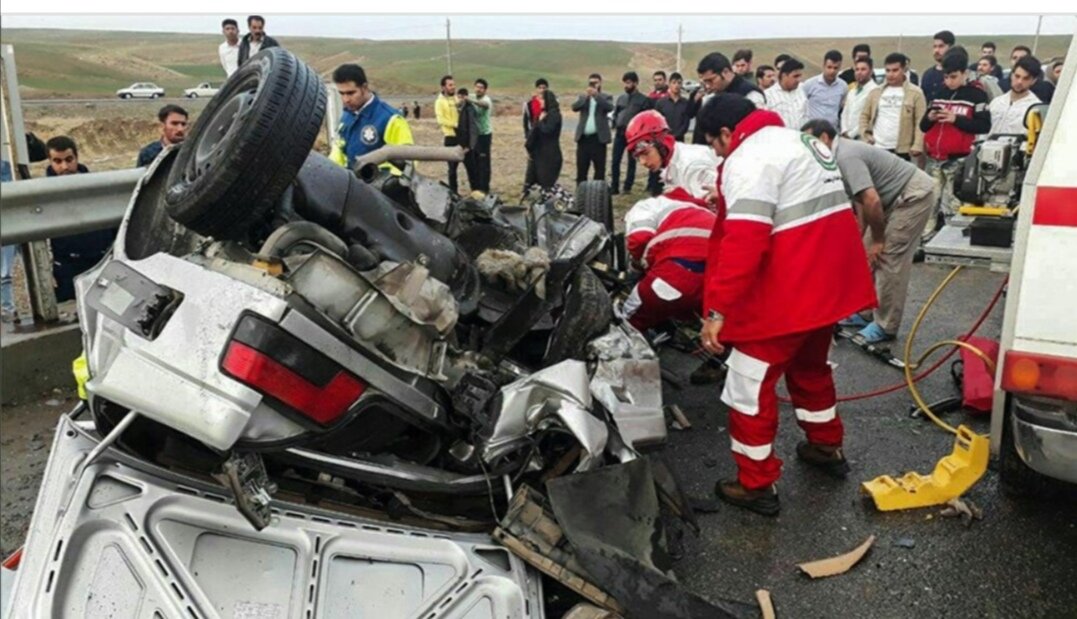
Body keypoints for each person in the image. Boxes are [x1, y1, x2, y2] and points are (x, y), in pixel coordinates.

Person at [696, 95, 876, 516]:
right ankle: (825, 446)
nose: (719, 156)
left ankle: (755, 484)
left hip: (788, 294)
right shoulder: (799, 141)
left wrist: (718, 311)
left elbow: (745, 241)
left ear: (726, 133)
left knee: (748, 385)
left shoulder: (750, 157)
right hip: (827, 288)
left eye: (716, 146)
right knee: (810, 370)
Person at [802, 120, 937, 346]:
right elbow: (863, 200)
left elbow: (872, 200)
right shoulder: (834, 158)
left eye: (810, 142)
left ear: (824, 138)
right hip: (889, 199)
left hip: (913, 196)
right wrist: (863, 234)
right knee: (866, 254)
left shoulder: (846, 156)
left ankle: (886, 325)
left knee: (887, 257)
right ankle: (866, 311)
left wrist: (878, 239)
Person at [919, 47, 991, 232]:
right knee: (929, 203)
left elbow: (984, 125)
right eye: (946, 77)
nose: (949, 81)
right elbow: (923, 126)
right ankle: (925, 241)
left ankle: (952, 241)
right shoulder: (939, 94)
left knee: (953, 204)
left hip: (959, 160)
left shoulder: (976, 94)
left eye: (953, 77)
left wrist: (956, 119)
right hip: (935, 158)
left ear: (964, 73)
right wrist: (930, 118)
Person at [44, 136, 117, 302]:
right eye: (58, 161)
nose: (65, 166)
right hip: (67, 265)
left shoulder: (96, 186)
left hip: (101, 259)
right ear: (50, 162)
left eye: (69, 160)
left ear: (76, 157)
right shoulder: (43, 193)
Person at [328, 64, 413, 174]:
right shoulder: (347, 115)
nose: (346, 99)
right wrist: (330, 171)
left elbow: (408, 160)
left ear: (364, 87)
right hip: (350, 184)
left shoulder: (391, 119)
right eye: (342, 93)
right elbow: (339, 149)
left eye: (350, 93)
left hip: (378, 188)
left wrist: (390, 185)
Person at [626, 110, 720, 204]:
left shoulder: (692, 165)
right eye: (638, 157)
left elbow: (711, 209)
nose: (643, 162)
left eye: (646, 153)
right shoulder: (672, 161)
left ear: (661, 143)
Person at [860, 53, 926, 163]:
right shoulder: (875, 92)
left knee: (900, 179)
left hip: (902, 149)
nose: (891, 74)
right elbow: (864, 115)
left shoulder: (915, 93)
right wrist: (865, 135)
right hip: (878, 146)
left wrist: (917, 144)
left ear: (904, 69)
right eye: (888, 70)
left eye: (895, 70)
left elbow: (921, 120)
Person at [691, 52, 765, 144]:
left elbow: (760, 132)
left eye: (711, 80)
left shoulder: (751, 95)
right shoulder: (709, 96)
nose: (708, 85)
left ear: (725, 72)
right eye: (705, 82)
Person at [610, 71, 653, 195]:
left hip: (634, 136)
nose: (626, 86)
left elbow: (646, 119)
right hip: (619, 134)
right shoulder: (621, 98)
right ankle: (614, 186)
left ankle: (627, 187)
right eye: (625, 83)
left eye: (629, 83)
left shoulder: (644, 100)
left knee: (631, 161)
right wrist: (614, 123)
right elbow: (616, 113)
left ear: (635, 83)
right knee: (615, 161)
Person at [572, 73, 614, 185]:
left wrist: (596, 96)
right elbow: (575, 107)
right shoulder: (583, 97)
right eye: (591, 82)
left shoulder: (605, 97)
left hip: (598, 139)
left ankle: (598, 194)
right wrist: (587, 97)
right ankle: (581, 193)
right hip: (583, 139)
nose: (593, 84)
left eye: (596, 82)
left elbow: (609, 107)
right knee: (581, 169)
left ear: (600, 83)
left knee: (599, 170)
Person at [989, 55, 1043, 135]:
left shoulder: (1035, 108)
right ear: (1011, 75)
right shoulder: (996, 102)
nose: (1019, 82)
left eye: (1026, 78)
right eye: (1017, 76)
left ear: (1033, 81)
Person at [523, 89, 563, 193]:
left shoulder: (554, 115)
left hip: (549, 156)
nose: (540, 102)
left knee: (546, 186)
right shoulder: (544, 114)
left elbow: (547, 130)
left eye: (542, 100)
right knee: (531, 185)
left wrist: (540, 122)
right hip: (538, 155)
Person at [802, 50, 845, 128]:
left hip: (832, 131)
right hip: (813, 131)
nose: (832, 71)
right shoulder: (809, 84)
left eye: (835, 68)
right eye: (829, 67)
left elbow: (841, 106)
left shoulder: (843, 86)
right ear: (823, 66)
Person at [840, 56, 879, 139]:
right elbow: (845, 113)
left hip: (863, 138)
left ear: (871, 71)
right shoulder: (852, 91)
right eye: (857, 69)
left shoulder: (875, 91)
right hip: (847, 137)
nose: (859, 72)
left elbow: (870, 118)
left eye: (863, 69)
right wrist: (844, 130)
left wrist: (851, 134)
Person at [523, 78, 551, 191]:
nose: (542, 90)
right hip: (534, 135)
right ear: (536, 89)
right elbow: (525, 122)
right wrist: (527, 136)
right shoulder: (529, 104)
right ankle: (528, 186)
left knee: (545, 161)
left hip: (546, 136)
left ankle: (544, 185)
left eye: (544, 88)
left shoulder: (551, 103)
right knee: (532, 161)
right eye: (540, 88)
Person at [764, 58, 807, 130]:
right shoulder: (768, 96)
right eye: (795, 76)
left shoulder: (803, 89)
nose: (799, 80)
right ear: (784, 76)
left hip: (801, 138)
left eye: (800, 76)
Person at [436, 75, 461, 193]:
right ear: (443, 87)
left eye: (454, 84)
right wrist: (455, 124)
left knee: (471, 165)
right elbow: (441, 120)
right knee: (452, 169)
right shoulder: (439, 102)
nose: (453, 87)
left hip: (462, 137)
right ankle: (454, 192)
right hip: (450, 137)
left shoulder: (457, 99)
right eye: (450, 85)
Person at [455, 87, 482, 192]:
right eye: (459, 97)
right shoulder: (461, 108)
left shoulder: (469, 109)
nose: (460, 99)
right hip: (462, 143)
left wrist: (470, 146)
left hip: (468, 146)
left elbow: (472, 128)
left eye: (462, 97)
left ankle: (476, 191)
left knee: (472, 170)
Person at [470, 79, 494, 194]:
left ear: (485, 90)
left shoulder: (486, 100)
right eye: (477, 87)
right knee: (475, 161)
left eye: (481, 87)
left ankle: (485, 188)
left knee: (484, 162)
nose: (478, 89)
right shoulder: (472, 97)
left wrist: (471, 101)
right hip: (474, 136)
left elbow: (484, 105)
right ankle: (476, 187)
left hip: (484, 135)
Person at [1, 159, 16, 322]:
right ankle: (8, 310)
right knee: (4, 273)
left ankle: (8, 311)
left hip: (12, 220)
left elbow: (38, 152)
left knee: (5, 273)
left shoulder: (7, 165)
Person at [655, 72, 692, 142]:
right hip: (664, 140)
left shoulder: (686, 103)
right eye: (674, 83)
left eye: (679, 83)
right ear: (669, 84)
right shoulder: (661, 103)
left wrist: (676, 135)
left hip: (680, 140)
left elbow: (686, 123)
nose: (676, 85)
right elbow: (658, 122)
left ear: (681, 85)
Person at [922, 30, 955, 103]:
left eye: (941, 46)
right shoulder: (928, 74)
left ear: (951, 47)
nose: (936, 50)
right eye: (935, 46)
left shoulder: (957, 75)